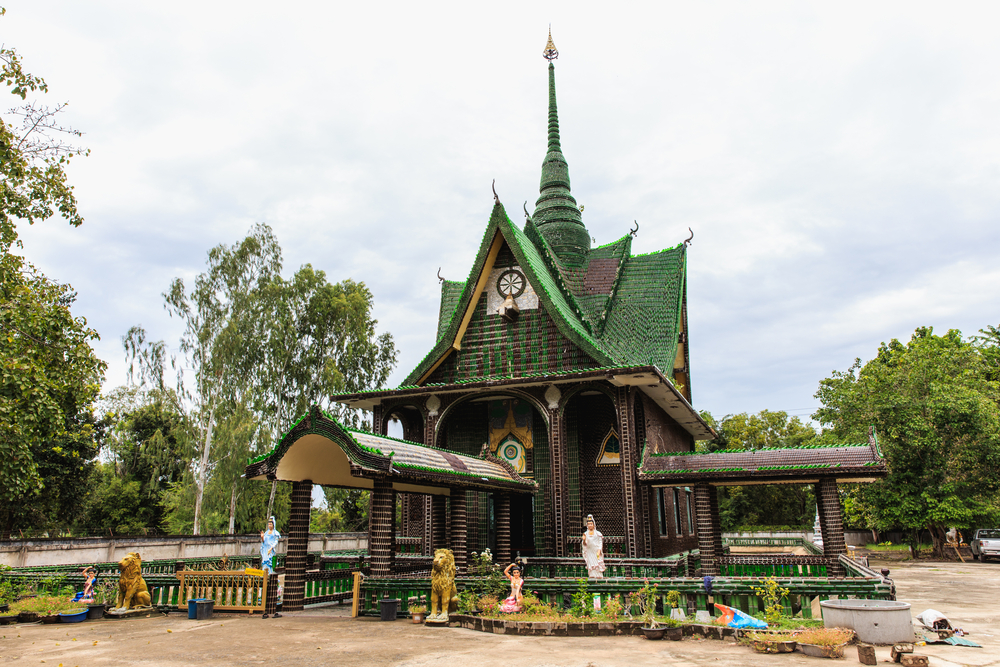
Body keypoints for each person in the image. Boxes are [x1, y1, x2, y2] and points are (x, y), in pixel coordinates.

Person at [582, 514, 605, 578]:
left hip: (596, 552)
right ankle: (592, 577)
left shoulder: (598, 534)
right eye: (588, 524)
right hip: (589, 552)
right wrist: (584, 540)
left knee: (597, 565)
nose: (590, 525)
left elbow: (600, 543)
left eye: (591, 524)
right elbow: (584, 544)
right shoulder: (586, 534)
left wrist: (599, 550)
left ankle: (599, 577)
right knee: (591, 566)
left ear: (593, 525)